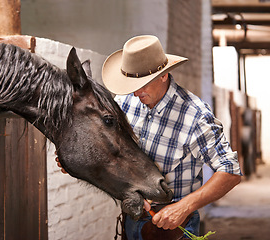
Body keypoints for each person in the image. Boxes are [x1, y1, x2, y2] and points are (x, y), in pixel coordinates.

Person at [100, 35, 242, 239]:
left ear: (163, 75)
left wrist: (184, 207)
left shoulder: (195, 116)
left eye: (143, 83)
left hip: (174, 227)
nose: (136, 92)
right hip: (131, 219)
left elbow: (230, 171)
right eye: (132, 83)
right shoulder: (123, 102)